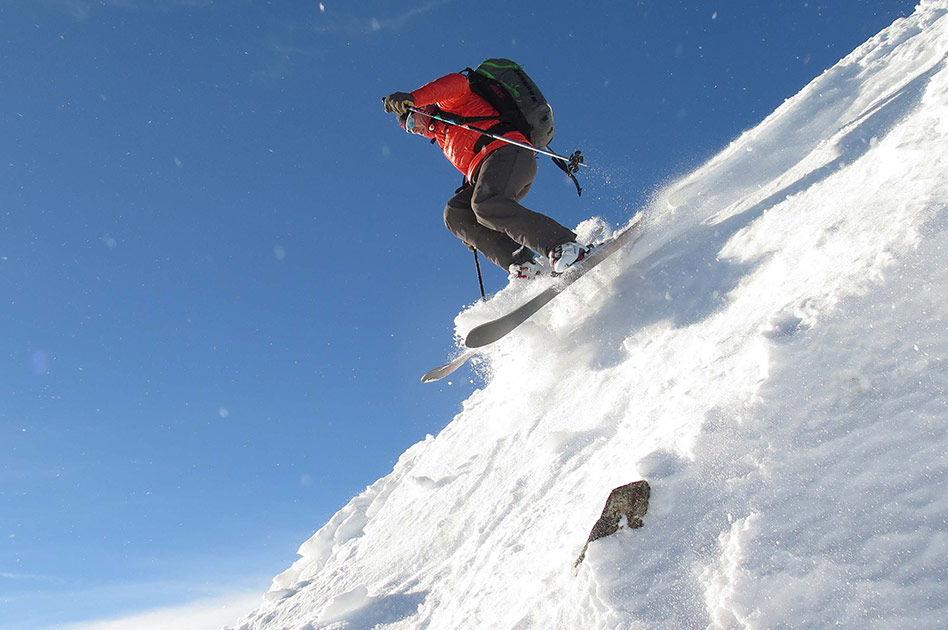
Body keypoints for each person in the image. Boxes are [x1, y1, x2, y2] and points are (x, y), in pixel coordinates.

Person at [383, 72, 590, 279]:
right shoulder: (442, 138)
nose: (414, 130)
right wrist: (474, 230)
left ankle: (564, 245)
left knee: (485, 204)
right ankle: (523, 264)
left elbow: (457, 82)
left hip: (509, 153)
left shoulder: (450, 106)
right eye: (408, 130)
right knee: (455, 214)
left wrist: (413, 97)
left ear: (420, 108)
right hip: (494, 171)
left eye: (410, 122)